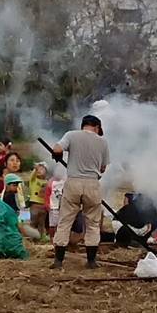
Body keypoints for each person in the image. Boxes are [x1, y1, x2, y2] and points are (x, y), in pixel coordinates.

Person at [49, 115, 110, 269]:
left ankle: (58, 261)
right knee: (93, 223)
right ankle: (91, 261)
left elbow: (57, 148)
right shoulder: (102, 142)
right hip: (92, 183)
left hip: (73, 182)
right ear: (96, 127)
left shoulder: (71, 135)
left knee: (65, 221)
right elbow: (103, 168)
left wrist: (58, 155)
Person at [1, 173, 41, 240]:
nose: (16, 187)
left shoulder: (10, 194)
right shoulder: (9, 196)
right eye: (14, 185)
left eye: (17, 185)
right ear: (7, 185)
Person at [26, 161, 49, 240]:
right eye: (38, 169)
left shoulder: (47, 182)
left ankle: (41, 236)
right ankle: (31, 236)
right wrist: (35, 169)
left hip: (43, 205)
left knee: (41, 222)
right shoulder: (33, 180)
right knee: (33, 221)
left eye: (42, 169)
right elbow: (31, 176)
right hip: (34, 204)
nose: (39, 170)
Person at [44, 166, 67, 242]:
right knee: (52, 224)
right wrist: (47, 203)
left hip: (62, 206)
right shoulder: (51, 182)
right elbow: (47, 194)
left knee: (59, 223)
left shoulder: (65, 181)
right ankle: (52, 238)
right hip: (53, 206)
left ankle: (58, 238)